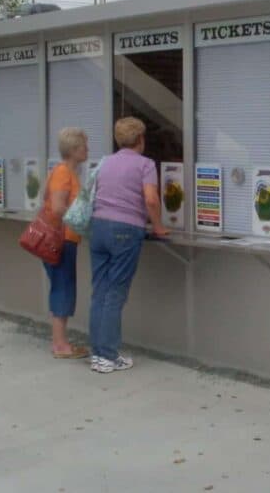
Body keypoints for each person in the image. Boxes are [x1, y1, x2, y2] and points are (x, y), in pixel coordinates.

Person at [88, 117, 169, 374]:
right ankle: (109, 357)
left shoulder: (105, 162)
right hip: (124, 231)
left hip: (98, 227)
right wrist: (158, 226)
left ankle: (98, 354)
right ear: (141, 140)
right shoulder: (145, 164)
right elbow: (151, 199)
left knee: (100, 291)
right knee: (115, 293)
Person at [44, 127, 90, 359]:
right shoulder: (63, 173)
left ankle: (61, 341)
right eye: (83, 145)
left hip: (65, 238)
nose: (87, 149)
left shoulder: (68, 172)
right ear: (73, 150)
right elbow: (58, 206)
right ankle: (60, 345)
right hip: (61, 239)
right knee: (63, 287)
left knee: (62, 286)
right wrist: (81, 218)